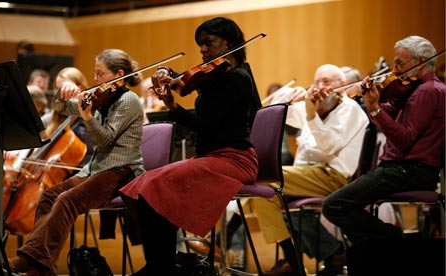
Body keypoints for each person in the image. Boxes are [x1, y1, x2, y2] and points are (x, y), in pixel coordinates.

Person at [189, 64, 370, 276]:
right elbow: (276, 109)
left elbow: (329, 147)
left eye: (327, 82)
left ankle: (228, 241)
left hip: (334, 177)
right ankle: (288, 258)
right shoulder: (315, 105)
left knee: (264, 182)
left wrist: (312, 116)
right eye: (317, 82)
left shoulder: (350, 109)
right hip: (308, 174)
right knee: (262, 192)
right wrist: (293, 94)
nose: (320, 87)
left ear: (341, 86)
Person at [118, 16, 262, 275]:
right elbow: (191, 79)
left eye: (209, 43)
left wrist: (173, 106)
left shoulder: (237, 78)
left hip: (234, 160)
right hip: (214, 157)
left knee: (156, 186)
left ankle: (160, 267)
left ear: (228, 42)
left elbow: (205, 124)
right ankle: (160, 264)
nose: (203, 50)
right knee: (140, 186)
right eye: (200, 45)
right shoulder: (216, 76)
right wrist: (167, 74)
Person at [6, 48, 145, 275]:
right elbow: (60, 108)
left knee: (66, 200)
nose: (96, 79)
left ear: (119, 74)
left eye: (100, 74)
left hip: (121, 171)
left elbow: (106, 138)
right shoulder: (101, 97)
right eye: (95, 73)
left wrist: (88, 115)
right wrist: (62, 92)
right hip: (97, 169)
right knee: (48, 196)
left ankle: (34, 263)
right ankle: (39, 263)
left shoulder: (128, 101)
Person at [322, 36, 445, 275]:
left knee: (335, 205)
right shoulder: (413, 89)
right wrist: (372, 103)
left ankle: (392, 242)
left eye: (399, 64)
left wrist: (376, 109)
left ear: (421, 62)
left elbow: (404, 138)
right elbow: (390, 115)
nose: (395, 70)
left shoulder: (428, 91)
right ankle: (380, 259)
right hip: (400, 169)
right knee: (342, 205)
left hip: (410, 170)